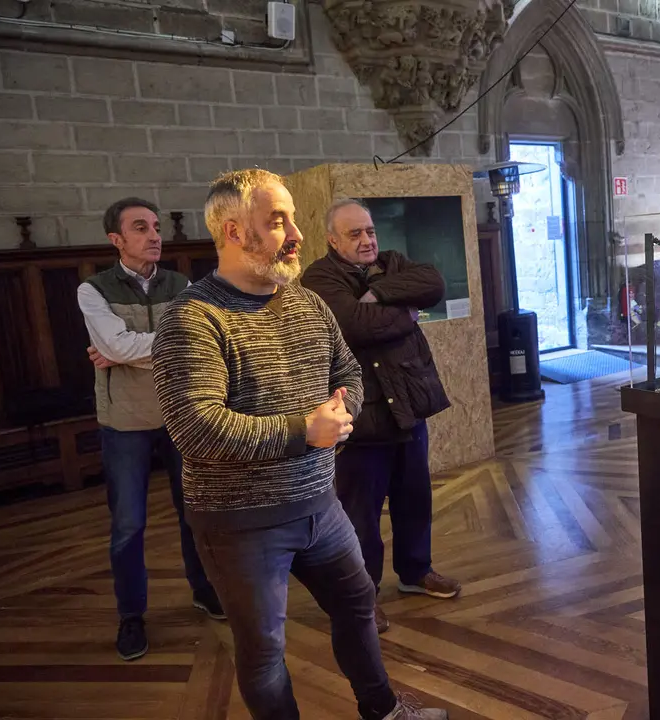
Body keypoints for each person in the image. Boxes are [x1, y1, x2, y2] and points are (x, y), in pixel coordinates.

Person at [151, 169, 446, 720]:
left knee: (358, 607)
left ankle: (383, 710)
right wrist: (304, 431)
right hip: (240, 519)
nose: (297, 234)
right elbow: (195, 427)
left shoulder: (306, 304)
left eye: (292, 219)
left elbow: (348, 371)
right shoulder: (192, 319)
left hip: (319, 504)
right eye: (278, 221)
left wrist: (343, 412)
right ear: (234, 231)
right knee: (264, 651)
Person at [300, 198, 460, 636]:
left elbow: (433, 283)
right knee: (360, 515)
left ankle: (416, 571)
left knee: (415, 498)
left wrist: (380, 293)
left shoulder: (391, 263)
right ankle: (363, 593)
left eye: (370, 231)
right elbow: (355, 325)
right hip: (361, 415)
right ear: (332, 240)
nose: (367, 240)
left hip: (407, 404)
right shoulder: (318, 277)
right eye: (355, 234)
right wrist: (406, 313)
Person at [77, 197, 223, 662]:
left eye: (156, 226)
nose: (155, 235)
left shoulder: (181, 284)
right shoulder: (93, 290)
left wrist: (121, 351)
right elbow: (123, 344)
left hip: (180, 416)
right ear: (116, 239)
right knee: (128, 525)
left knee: (194, 512)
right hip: (124, 422)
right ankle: (131, 616)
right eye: (141, 227)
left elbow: (197, 339)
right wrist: (126, 348)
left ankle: (204, 589)